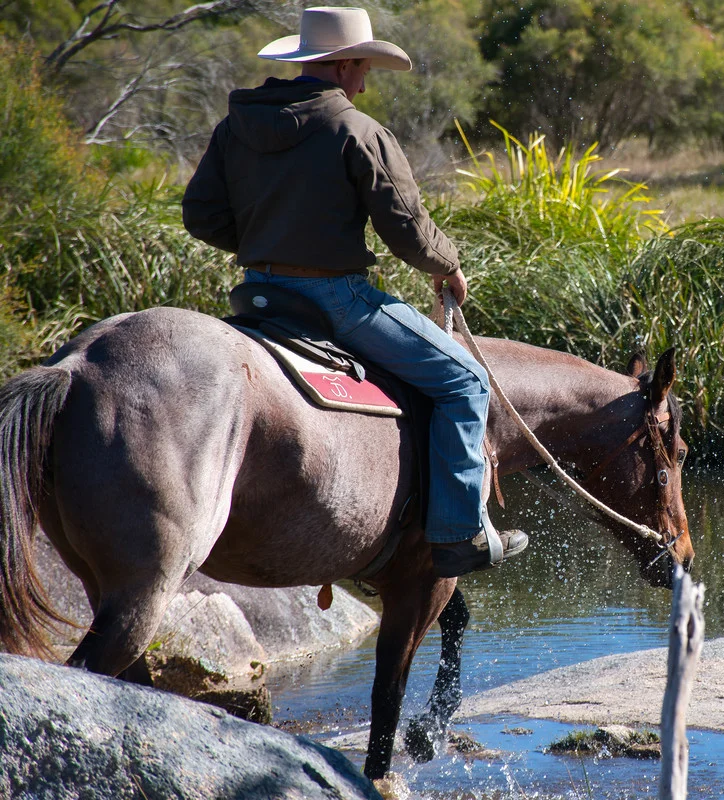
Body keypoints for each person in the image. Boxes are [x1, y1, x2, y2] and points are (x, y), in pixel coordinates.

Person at [182, 5, 526, 578]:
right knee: (465, 380)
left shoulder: (234, 127)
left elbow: (201, 215)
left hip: (258, 293)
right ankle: (458, 534)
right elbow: (407, 229)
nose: (364, 83)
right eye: (363, 68)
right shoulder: (357, 132)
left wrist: (268, 239)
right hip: (334, 299)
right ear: (343, 65)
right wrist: (448, 265)